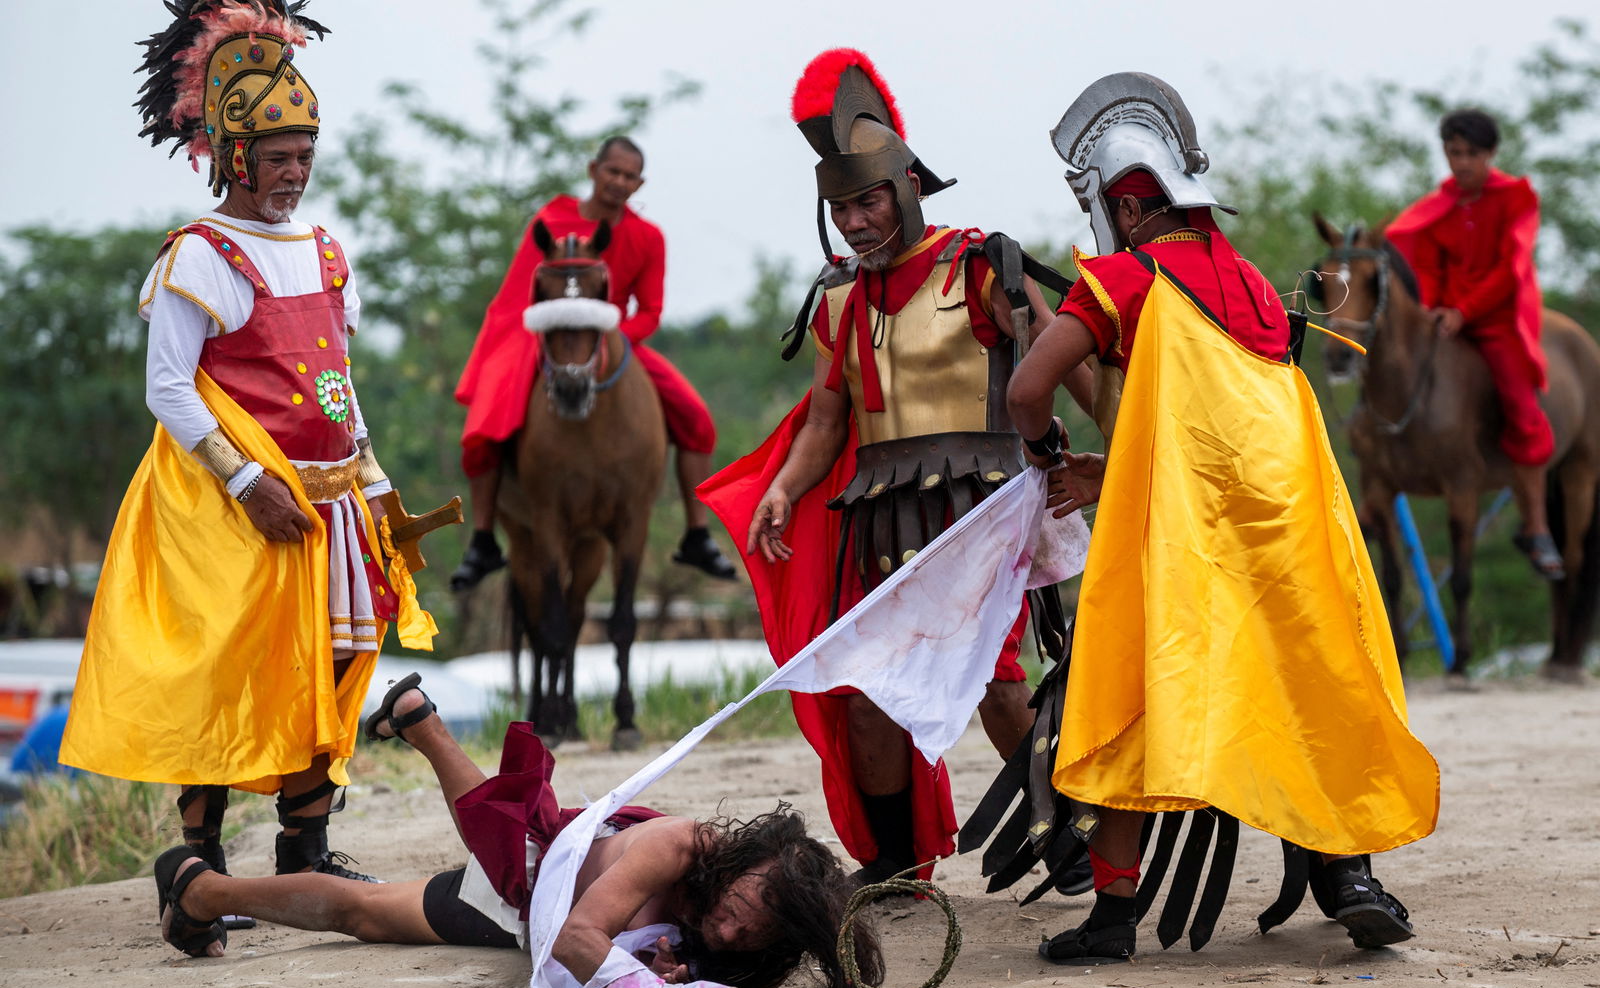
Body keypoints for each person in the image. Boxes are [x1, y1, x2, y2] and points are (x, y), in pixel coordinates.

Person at [1006, 73, 1440, 963]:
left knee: (1128, 688)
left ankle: (1114, 917)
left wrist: (1054, 455)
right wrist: (1119, 467)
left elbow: (1026, 390)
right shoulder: (1254, 289)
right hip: (1285, 535)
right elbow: (1217, 428)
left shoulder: (1122, 280)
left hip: (1182, 546)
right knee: (1309, 687)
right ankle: (1351, 877)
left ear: (1124, 210)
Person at [62, 0, 436, 884]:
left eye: (304, 155)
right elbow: (167, 390)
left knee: (333, 666)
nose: (294, 173)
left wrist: (375, 480)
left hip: (332, 502)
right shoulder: (197, 255)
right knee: (230, 672)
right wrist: (243, 484)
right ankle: (198, 866)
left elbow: (338, 382)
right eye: (277, 158)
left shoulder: (327, 249)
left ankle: (304, 854)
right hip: (233, 510)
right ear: (235, 156)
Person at [702, 50, 1087, 886]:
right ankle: (890, 860)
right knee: (869, 688)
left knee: (996, 679)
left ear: (910, 185)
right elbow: (827, 420)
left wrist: (1107, 451)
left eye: (868, 200)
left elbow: (1068, 360)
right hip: (879, 521)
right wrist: (783, 488)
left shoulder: (982, 267)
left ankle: (1072, 837)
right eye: (840, 209)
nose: (855, 221)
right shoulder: (839, 299)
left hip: (983, 509)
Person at [153, 676, 882, 988]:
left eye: (749, 936)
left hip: (540, 895)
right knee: (368, 912)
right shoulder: (676, 847)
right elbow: (574, 938)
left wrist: (678, 961)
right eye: (738, 912)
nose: (728, 931)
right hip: (539, 889)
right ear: (755, 861)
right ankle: (198, 889)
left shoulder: (754, 937)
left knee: (473, 844)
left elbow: (665, 948)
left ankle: (420, 721)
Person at [452, 136, 737, 589]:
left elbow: (650, 311)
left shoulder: (648, 238)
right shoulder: (551, 221)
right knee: (487, 418)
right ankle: (484, 539)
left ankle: (697, 533)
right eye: (613, 172)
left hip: (615, 342)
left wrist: (612, 340)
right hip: (544, 339)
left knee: (697, 419)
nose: (620, 182)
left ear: (639, 183)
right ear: (593, 171)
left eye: (630, 177)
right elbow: (520, 293)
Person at [1387, 108, 1560, 578]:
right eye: (1454, 152)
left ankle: (1537, 525)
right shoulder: (1437, 205)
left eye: (1471, 154)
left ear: (1490, 154)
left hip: (1495, 320)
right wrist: (1430, 307)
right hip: (1444, 317)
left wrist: (1465, 311)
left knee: (1523, 408)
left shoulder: (1515, 199)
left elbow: (1511, 270)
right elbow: (1423, 261)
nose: (1461, 163)